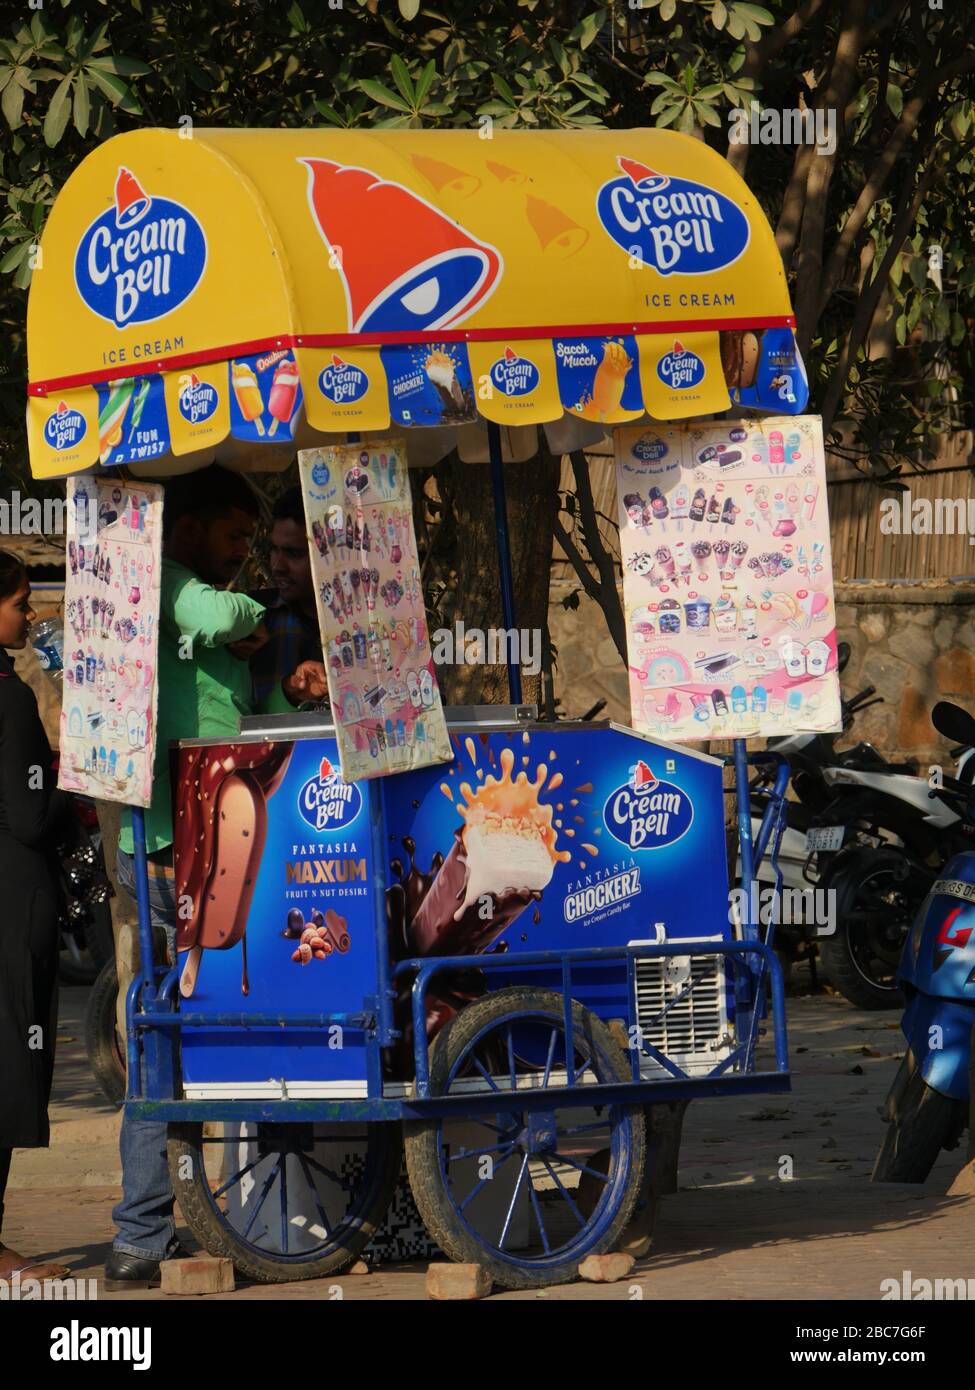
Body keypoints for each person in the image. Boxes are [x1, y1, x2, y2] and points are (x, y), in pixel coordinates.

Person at [107, 466, 327, 1290]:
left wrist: (289, 683)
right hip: (165, 847)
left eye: (248, 539)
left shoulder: (217, 611)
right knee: (158, 1034)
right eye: (234, 537)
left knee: (224, 1017)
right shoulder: (163, 583)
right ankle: (138, 1232)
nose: (242, 556)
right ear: (188, 528)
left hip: (224, 843)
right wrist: (253, 619)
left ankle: (246, 1212)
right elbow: (210, 612)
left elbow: (247, 709)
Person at [0, 550, 71, 1280]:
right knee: (9, 1077)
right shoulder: (11, 695)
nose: (28, 615)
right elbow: (26, 816)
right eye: (21, 602)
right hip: (13, 905)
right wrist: (68, 777)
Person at [249, 487, 324, 706]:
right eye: (274, 550)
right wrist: (290, 691)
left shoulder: (370, 623)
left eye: (294, 553)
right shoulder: (255, 620)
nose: (277, 566)